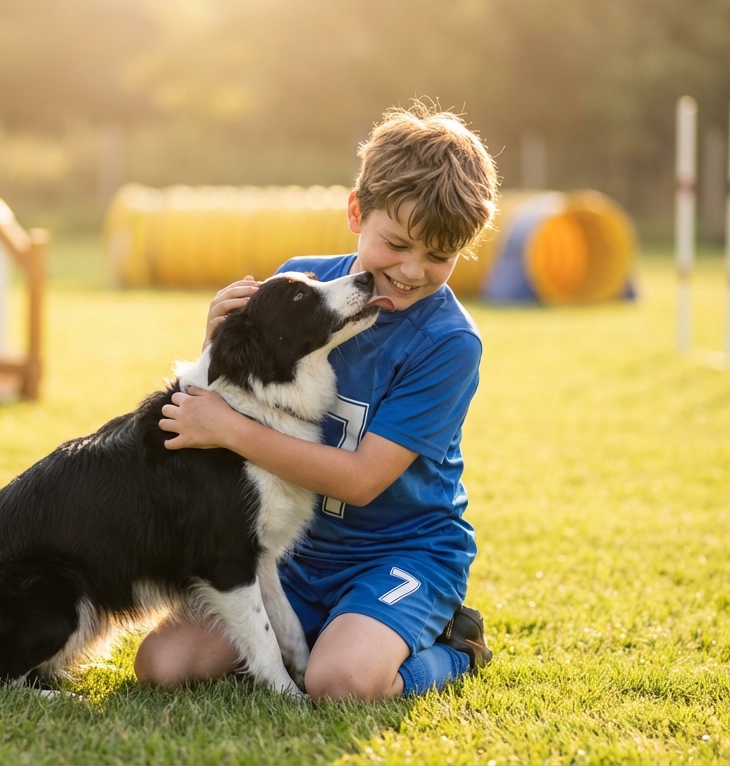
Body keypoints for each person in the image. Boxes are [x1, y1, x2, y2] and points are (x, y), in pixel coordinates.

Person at [134, 105, 500, 701]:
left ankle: (454, 647)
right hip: (292, 553)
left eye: (439, 256)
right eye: (397, 243)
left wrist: (227, 429)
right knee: (164, 665)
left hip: (402, 555)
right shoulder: (301, 282)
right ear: (357, 211)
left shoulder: (448, 343)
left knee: (340, 682)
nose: (411, 271)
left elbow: (359, 481)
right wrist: (215, 342)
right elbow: (236, 396)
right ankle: (338, 629)